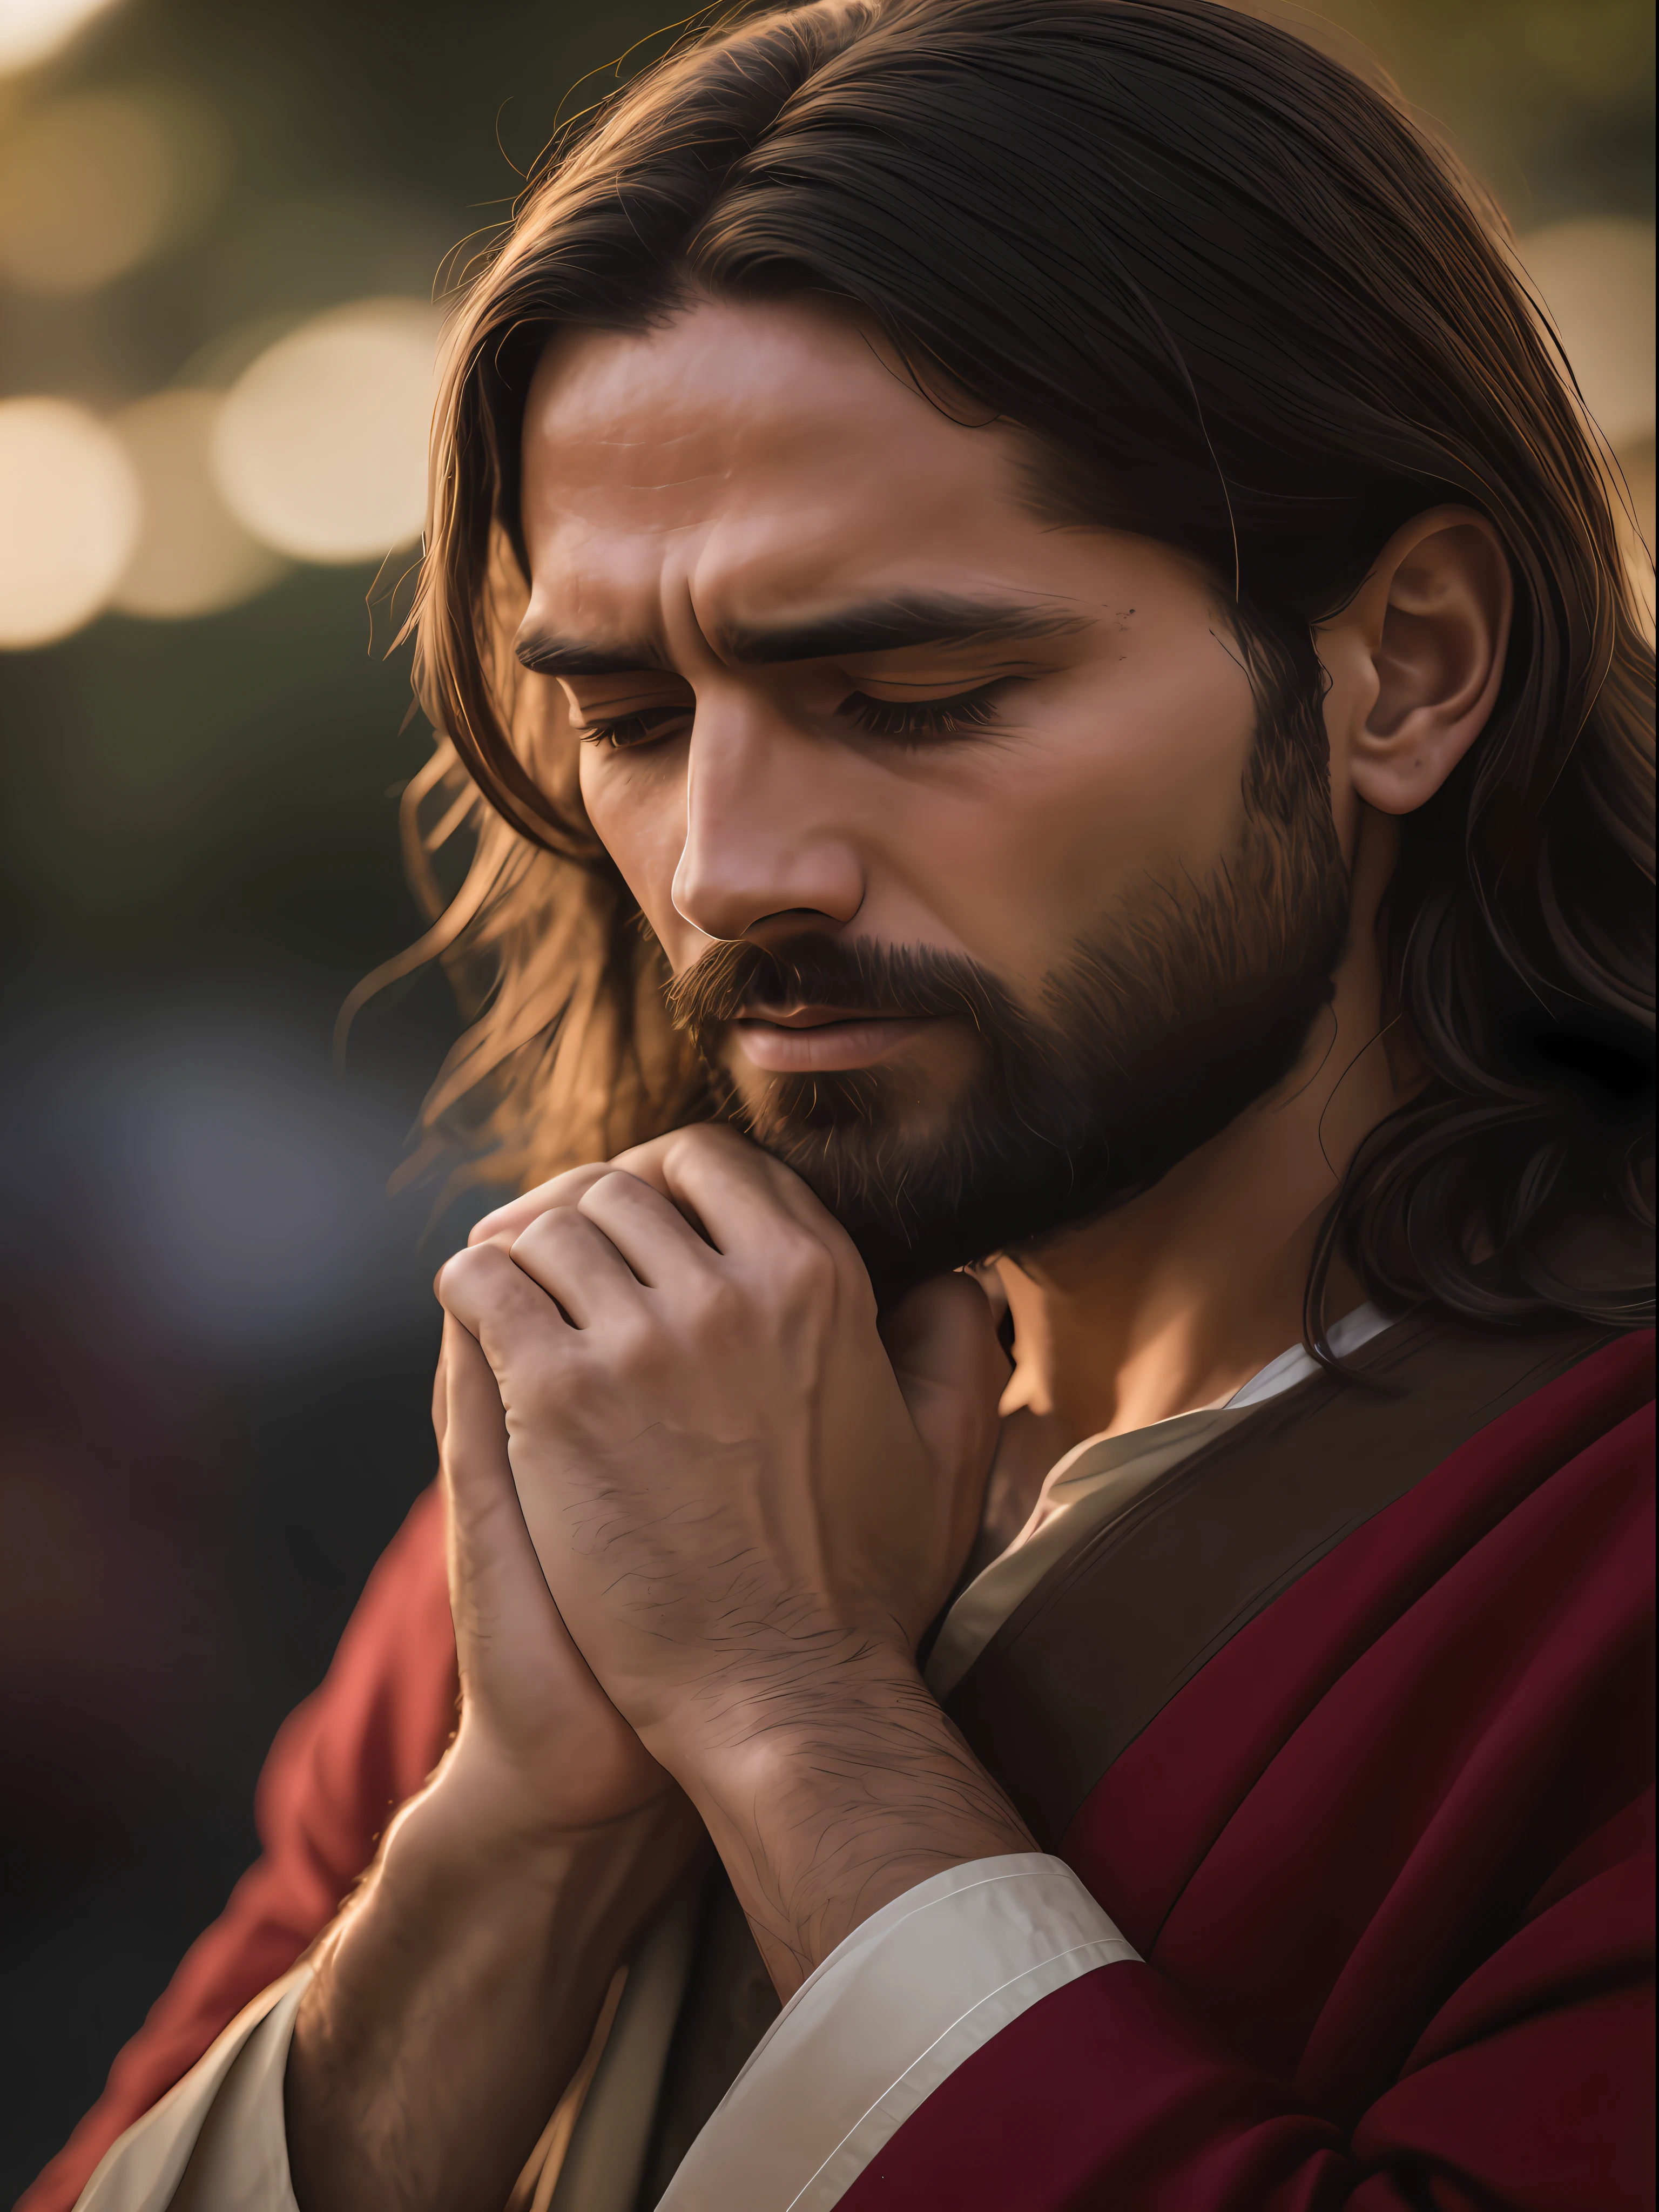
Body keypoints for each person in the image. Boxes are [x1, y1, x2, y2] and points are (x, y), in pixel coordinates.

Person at [30, 2, 1654, 2208]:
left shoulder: (1595, 1538)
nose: (723, 866)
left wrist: (790, 1712)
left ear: (1408, 665)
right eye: (626, 714)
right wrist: (532, 1823)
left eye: (913, 695)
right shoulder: (630, 1424)